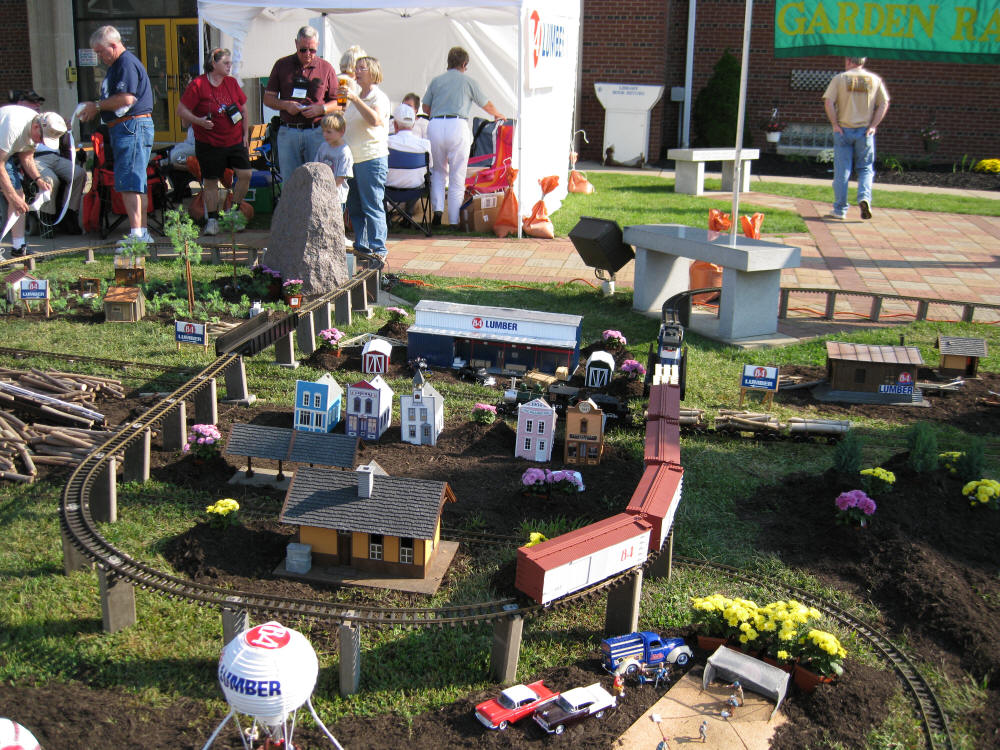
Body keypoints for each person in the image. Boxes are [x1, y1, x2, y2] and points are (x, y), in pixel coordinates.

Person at [78, 25, 155, 244]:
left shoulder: (125, 63)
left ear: (113, 45)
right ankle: (140, 233)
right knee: (134, 182)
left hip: (131, 127)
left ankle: (138, 235)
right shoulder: (118, 65)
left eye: (101, 51)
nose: (99, 57)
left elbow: (126, 99)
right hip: (129, 127)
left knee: (130, 182)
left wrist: (96, 106)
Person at [422, 46, 504, 226]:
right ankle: (453, 220)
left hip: (436, 125)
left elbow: (425, 107)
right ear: (464, 64)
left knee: (438, 171)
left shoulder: (436, 81)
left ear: (448, 62)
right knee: (457, 175)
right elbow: (485, 103)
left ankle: (437, 210)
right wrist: (498, 114)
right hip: (458, 126)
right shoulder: (469, 82)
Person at [177, 47, 253, 236]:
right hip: (209, 142)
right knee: (210, 181)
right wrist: (199, 121)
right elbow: (181, 110)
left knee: (245, 174)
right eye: (225, 63)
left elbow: (244, 110)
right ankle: (212, 220)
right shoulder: (198, 84)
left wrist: (245, 135)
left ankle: (233, 212)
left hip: (234, 140)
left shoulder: (232, 83)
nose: (229, 66)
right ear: (213, 63)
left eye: (230, 63)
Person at [263, 26, 341, 182]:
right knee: (291, 183)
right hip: (289, 131)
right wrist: (286, 105)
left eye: (312, 50)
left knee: (318, 181)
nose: (307, 54)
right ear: (296, 44)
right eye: (303, 50)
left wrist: (322, 109)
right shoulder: (282, 65)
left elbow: (340, 102)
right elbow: (268, 99)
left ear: (317, 45)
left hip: (316, 131)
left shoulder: (326, 67)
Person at [822, 56, 889, 221]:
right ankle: (864, 198)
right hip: (865, 132)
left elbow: (829, 102)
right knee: (865, 169)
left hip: (843, 130)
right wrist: (873, 125)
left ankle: (840, 209)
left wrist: (835, 124)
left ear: (848, 61)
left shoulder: (839, 78)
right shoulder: (875, 79)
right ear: (863, 61)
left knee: (842, 171)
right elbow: (884, 103)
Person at [10, 91, 84, 235]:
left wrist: (65, 130)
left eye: (38, 102)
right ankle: (46, 219)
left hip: (56, 156)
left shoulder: (47, 119)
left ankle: (69, 214)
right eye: (32, 102)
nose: (37, 105)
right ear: (20, 103)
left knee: (79, 174)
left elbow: (64, 142)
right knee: (50, 180)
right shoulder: (21, 121)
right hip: (35, 158)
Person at [340, 55, 390, 268]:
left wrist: (355, 99)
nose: (357, 71)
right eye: (356, 68)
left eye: (362, 68)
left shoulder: (378, 97)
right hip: (353, 159)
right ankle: (363, 246)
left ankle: (379, 250)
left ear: (373, 72)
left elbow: (374, 120)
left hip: (371, 158)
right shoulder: (356, 98)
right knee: (355, 207)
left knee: (372, 205)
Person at [0, 106, 66, 256]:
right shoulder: (13, 127)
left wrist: (39, 180)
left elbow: (27, 157)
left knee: (19, 197)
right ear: (36, 127)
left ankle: (19, 248)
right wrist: (12, 197)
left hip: (4, 152)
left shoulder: (37, 126)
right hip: (1, 151)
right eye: (42, 139)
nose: (42, 142)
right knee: (15, 198)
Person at [387, 102, 432, 214]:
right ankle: (409, 213)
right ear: (413, 125)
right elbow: (430, 167)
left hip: (388, 191)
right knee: (418, 178)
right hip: (416, 191)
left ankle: (386, 217)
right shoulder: (425, 145)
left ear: (395, 124)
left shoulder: (386, 143)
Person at [314, 112, 353, 206]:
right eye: (323, 131)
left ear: (341, 131)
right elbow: (316, 167)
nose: (325, 135)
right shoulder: (323, 147)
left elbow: (341, 178)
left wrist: (329, 192)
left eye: (329, 132)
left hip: (336, 197)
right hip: (321, 195)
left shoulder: (344, 151)